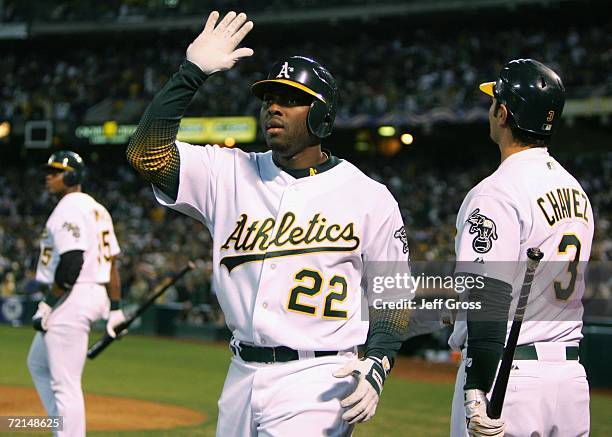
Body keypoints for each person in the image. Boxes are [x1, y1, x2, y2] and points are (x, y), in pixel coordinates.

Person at [127, 10, 410, 436]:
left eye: (291, 99)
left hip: (320, 378)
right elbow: (145, 153)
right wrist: (192, 72)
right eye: (269, 98)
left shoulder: (369, 196)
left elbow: (393, 295)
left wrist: (378, 361)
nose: (274, 107)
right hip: (242, 372)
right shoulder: (227, 171)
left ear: (322, 116)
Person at [449, 59, 594, 436]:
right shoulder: (576, 191)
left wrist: (476, 387)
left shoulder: (496, 191)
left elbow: (488, 296)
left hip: (508, 375)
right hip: (570, 379)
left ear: (503, 113)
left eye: (493, 102)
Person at [27, 150, 125, 437]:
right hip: (91, 291)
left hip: (73, 295)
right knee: (37, 363)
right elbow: (113, 262)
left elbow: (72, 263)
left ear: (71, 176)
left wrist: (48, 303)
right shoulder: (97, 208)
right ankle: (61, 428)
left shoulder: (69, 207)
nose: (49, 176)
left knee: (65, 385)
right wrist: (116, 307)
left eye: (55, 172)